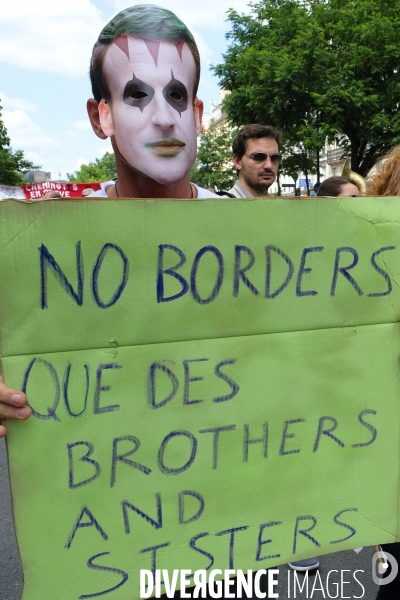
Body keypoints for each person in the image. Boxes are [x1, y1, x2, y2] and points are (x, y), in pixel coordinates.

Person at [0, 3, 219, 435]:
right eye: (137, 94)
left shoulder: (253, 233)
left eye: (176, 95)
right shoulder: (41, 243)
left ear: (195, 115)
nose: (162, 118)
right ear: (101, 116)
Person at [228, 124, 281, 198]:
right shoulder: (219, 206)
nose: (269, 165)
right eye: (258, 157)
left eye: (274, 158)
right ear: (237, 161)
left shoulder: (279, 207)